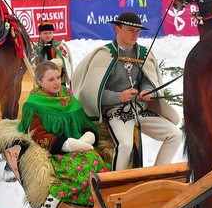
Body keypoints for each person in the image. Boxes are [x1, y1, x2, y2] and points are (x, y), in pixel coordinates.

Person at [71, 11, 182, 171]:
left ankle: (157, 174)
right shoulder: (104, 54)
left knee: (175, 135)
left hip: (140, 109)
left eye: (137, 31)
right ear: (117, 29)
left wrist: (148, 90)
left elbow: (147, 80)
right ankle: (116, 185)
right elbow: (93, 93)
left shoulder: (144, 54)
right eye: (130, 30)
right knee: (125, 145)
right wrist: (119, 96)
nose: (135, 35)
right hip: (116, 111)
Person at [18, 60, 109, 208]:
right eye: (51, 79)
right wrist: (68, 144)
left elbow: (84, 122)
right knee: (80, 166)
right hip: (56, 152)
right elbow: (38, 136)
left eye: (58, 77)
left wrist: (88, 136)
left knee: (94, 159)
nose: (57, 82)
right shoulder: (34, 104)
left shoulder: (69, 98)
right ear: (39, 82)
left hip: (80, 147)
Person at [31, 22, 73, 87]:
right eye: (45, 33)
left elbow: (62, 61)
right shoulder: (35, 47)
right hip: (41, 81)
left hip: (57, 81)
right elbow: (31, 62)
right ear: (40, 34)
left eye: (50, 33)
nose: (48, 35)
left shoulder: (59, 46)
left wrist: (50, 64)